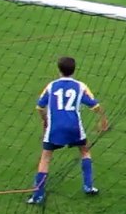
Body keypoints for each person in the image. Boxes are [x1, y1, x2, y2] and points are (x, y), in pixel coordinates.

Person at [28, 56, 110, 204]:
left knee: (45, 158)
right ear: (74, 69)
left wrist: (45, 120)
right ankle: (88, 186)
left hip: (55, 128)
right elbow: (95, 106)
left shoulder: (51, 86)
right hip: (74, 128)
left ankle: (38, 195)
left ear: (59, 69)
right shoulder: (80, 86)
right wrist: (103, 120)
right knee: (85, 151)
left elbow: (39, 106)